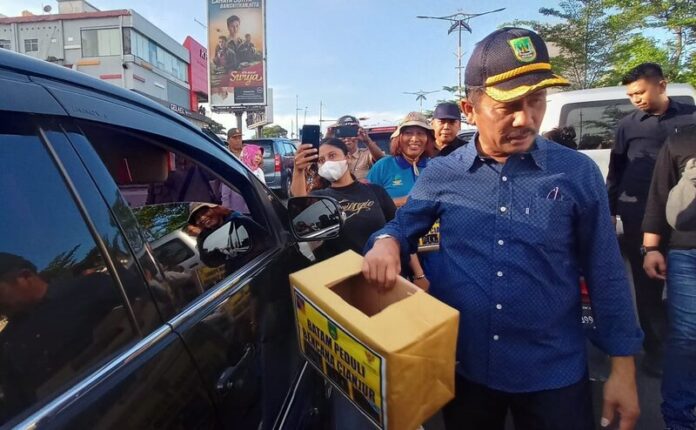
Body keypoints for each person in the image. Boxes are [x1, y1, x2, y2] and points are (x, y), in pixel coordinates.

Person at [362, 27, 643, 430]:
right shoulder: (442, 174)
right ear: (470, 109)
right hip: (467, 370)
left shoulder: (577, 173)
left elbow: (606, 272)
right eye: (508, 105)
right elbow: (404, 224)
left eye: (536, 102)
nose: (525, 119)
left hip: (555, 375)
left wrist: (623, 367)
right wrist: (386, 242)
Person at [606, 62, 696, 376]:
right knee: (647, 288)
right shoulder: (628, 125)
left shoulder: (690, 118)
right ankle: (656, 352)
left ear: (662, 85)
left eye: (641, 92)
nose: (637, 99)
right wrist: (611, 208)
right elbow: (615, 170)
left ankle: (685, 349)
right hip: (639, 215)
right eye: (631, 95)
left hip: (686, 219)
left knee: (685, 285)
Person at [641, 123, 696, 430]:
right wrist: (650, 248)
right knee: (687, 338)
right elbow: (659, 194)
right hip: (686, 251)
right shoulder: (682, 138)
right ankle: (679, 418)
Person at [308, 138, 396, 260]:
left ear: (348, 157)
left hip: (382, 269)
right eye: (321, 160)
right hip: (341, 274)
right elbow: (300, 209)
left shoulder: (375, 191)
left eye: (332, 156)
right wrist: (298, 169)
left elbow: (397, 228)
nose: (327, 163)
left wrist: (418, 274)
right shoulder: (318, 198)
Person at [291, 115, 384, 196]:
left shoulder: (366, 154)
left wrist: (367, 140)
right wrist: (327, 138)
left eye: (351, 131)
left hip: (361, 197)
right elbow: (301, 200)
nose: (347, 138)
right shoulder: (319, 194)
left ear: (347, 158)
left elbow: (382, 161)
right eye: (343, 133)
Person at [366, 111, 435, 207]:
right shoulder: (383, 166)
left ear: (428, 139)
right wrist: (403, 201)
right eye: (408, 133)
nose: (414, 139)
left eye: (420, 133)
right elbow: (367, 203)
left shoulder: (435, 166)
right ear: (399, 138)